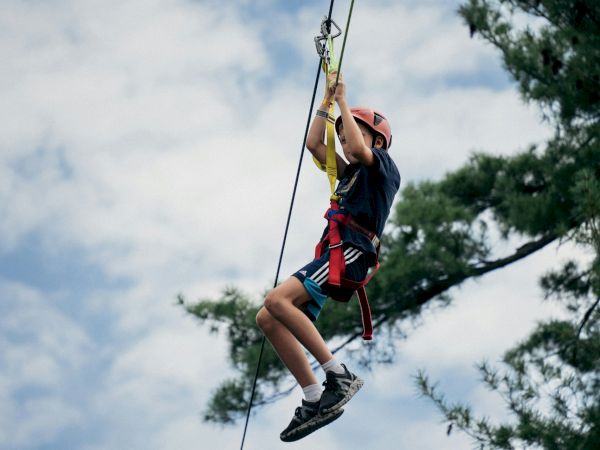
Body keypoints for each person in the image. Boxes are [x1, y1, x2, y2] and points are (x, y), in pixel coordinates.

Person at [255, 71, 401, 442]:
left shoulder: (383, 168)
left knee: (277, 299)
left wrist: (343, 102)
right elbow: (314, 145)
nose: (346, 135)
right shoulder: (350, 174)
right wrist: (326, 103)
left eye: (355, 130)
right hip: (337, 252)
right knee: (268, 317)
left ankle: (339, 374)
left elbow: (355, 148)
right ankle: (314, 395)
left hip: (353, 250)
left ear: (378, 140)